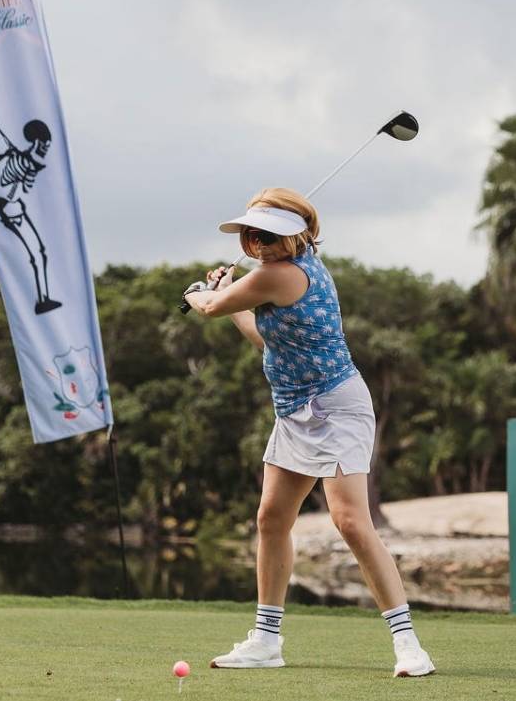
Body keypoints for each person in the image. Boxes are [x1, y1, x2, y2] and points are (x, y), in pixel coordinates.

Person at [182, 187, 435, 678]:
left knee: (350, 522)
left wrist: (198, 292)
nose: (259, 242)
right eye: (253, 234)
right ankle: (266, 641)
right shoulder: (274, 277)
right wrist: (228, 296)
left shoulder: (279, 274)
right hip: (295, 409)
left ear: (296, 236)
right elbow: (264, 336)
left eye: (269, 233)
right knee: (272, 519)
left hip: (336, 408)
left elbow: (208, 308)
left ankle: (409, 645)